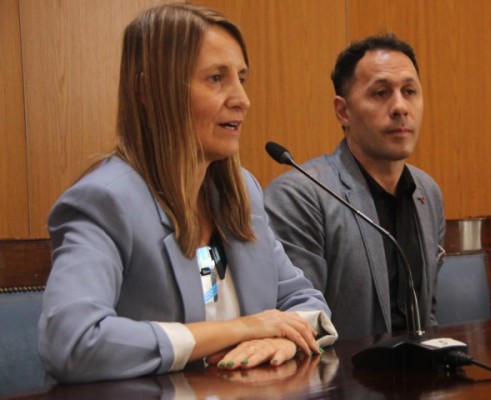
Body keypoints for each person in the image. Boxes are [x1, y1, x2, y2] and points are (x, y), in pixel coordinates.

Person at [38, 4, 336, 384]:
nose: (242, 98)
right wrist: (242, 329)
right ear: (148, 91)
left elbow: (304, 302)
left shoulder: (242, 191)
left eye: (242, 78)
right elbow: (72, 342)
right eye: (216, 79)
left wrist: (287, 340)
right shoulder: (105, 202)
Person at [264, 34, 445, 339]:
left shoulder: (427, 192)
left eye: (410, 91)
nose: (400, 107)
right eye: (380, 93)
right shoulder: (300, 195)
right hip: (338, 381)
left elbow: (426, 312)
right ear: (343, 112)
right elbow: (301, 327)